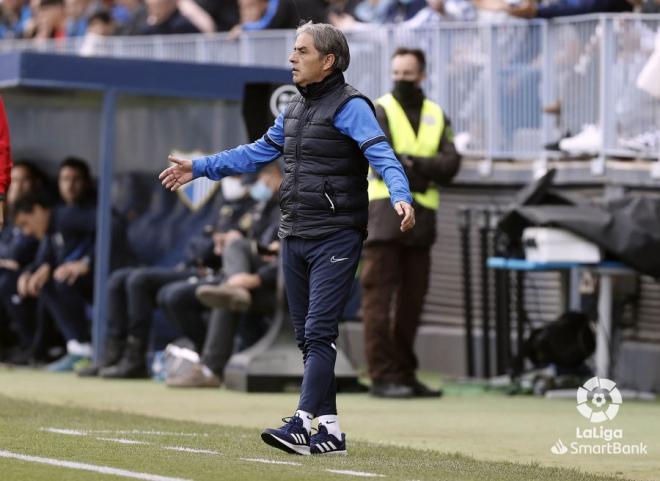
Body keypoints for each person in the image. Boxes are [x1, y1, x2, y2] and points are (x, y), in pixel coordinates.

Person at [159, 22, 414, 456]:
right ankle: (330, 430)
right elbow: (255, 152)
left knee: (318, 332)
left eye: (301, 51)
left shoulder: (352, 106)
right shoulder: (293, 109)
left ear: (328, 60)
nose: (292, 58)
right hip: (294, 233)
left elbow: (382, 154)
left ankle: (301, 423)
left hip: (336, 236)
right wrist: (199, 168)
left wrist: (400, 195)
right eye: (293, 50)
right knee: (309, 338)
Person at [361, 47, 460, 398]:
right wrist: (423, 169)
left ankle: (404, 373)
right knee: (378, 298)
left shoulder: (436, 113)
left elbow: (451, 166)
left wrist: (409, 165)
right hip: (385, 215)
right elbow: (380, 158)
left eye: (408, 73)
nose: (401, 79)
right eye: (397, 73)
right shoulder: (379, 108)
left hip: (423, 221)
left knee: (412, 301)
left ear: (422, 75)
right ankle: (382, 375)